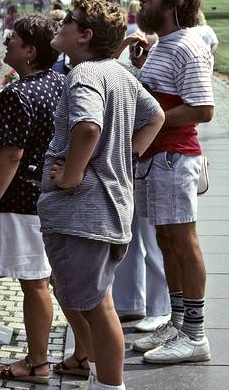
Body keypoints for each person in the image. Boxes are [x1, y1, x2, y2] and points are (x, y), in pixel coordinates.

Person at [38, 0, 164, 390]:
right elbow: (155, 116)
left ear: (85, 35)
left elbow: (88, 126)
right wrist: (126, 154)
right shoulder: (120, 73)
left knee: (97, 307)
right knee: (97, 302)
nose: (60, 25)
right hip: (108, 208)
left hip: (84, 214)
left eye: (69, 21)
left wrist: (72, 176)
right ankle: (100, 378)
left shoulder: (86, 74)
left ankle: (109, 384)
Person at [114, 0, 214, 365]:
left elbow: (203, 109)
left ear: (171, 4)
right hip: (158, 160)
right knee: (167, 243)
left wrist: (149, 119)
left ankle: (195, 334)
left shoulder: (186, 46)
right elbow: (164, 96)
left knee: (183, 242)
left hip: (174, 158)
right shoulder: (166, 44)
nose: (142, 0)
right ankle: (177, 321)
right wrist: (142, 68)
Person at [0, 15, 64, 384]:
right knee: (58, 280)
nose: (5, 43)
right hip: (54, 195)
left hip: (24, 200)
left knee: (35, 282)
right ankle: (85, 352)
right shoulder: (62, 83)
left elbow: (11, 154)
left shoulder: (18, 94)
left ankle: (37, 363)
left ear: (30, 51)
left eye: (12, 39)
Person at [110, 32, 171, 334]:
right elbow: (104, 68)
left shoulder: (160, 71)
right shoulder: (130, 70)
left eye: (147, 50)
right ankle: (130, 300)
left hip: (152, 156)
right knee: (129, 234)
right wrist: (125, 50)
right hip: (131, 158)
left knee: (152, 237)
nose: (141, 54)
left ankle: (160, 306)